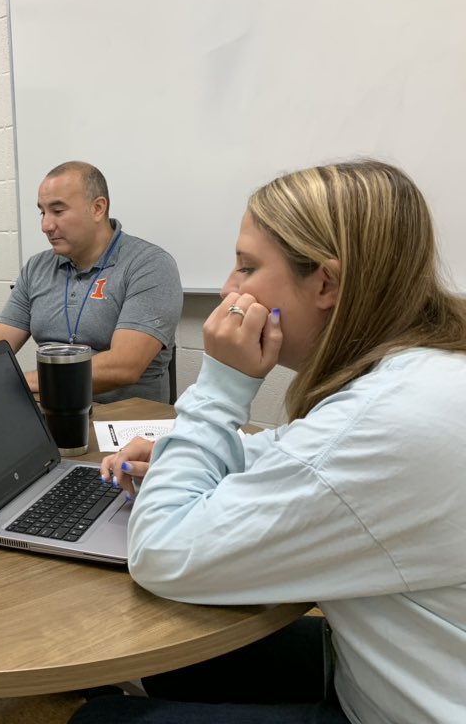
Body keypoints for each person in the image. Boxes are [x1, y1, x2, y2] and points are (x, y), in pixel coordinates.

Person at [73, 160, 466, 724]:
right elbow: (309, 454)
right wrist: (182, 451)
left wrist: (220, 388)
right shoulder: (425, 374)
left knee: (103, 721)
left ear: (326, 283)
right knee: (175, 659)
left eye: (247, 267)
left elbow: (160, 553)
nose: (230, 290)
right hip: (396, 662)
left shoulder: (389, 418)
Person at [0, 161, 182, 403]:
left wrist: (19, 382)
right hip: (51, 411)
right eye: (43, 212)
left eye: (58, 211)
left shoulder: (149, 265)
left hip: (122, 425)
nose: (46, 225)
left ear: (97, 208)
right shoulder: (36, 267)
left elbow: (124, 366)